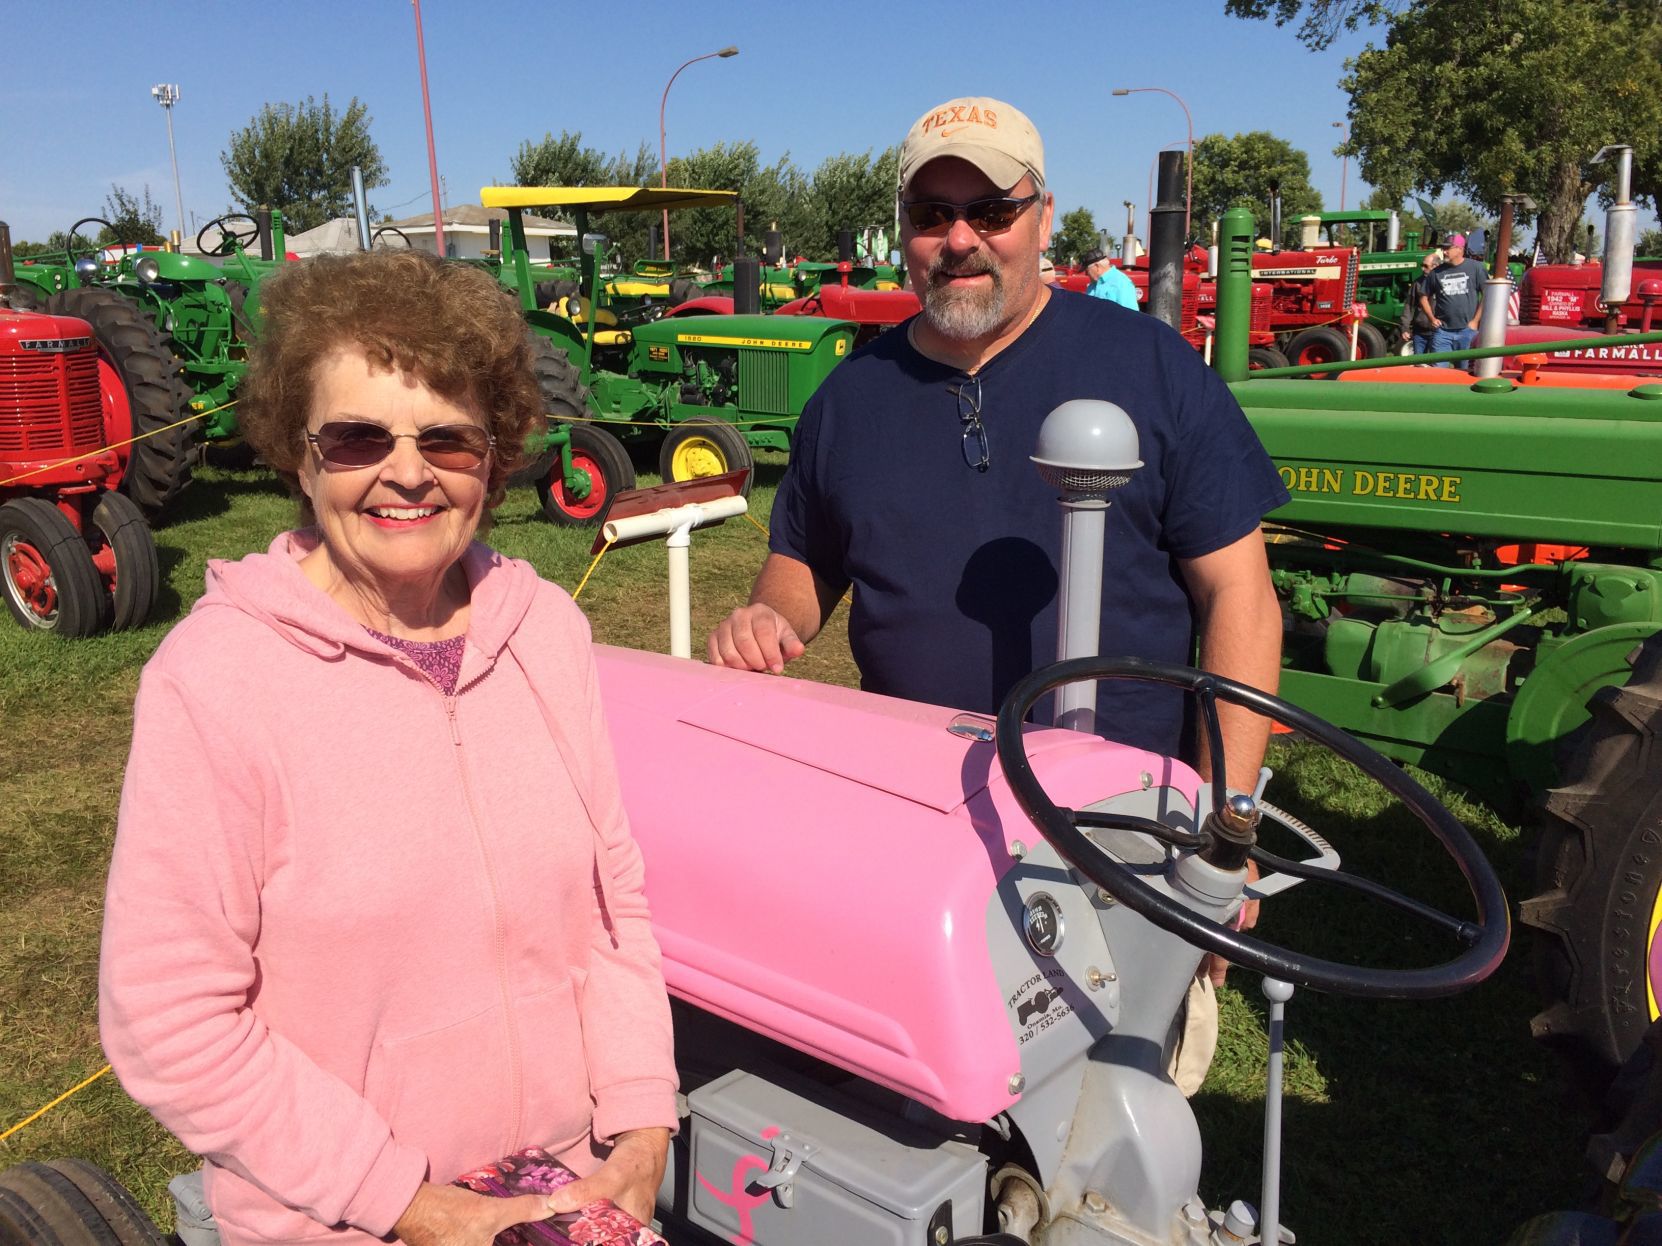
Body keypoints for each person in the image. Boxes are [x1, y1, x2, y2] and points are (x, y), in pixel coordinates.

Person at [99, 251, 677, 1246]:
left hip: (557, 1198)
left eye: (447, 440)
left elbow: (610, 902)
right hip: (346, 1221)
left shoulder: (545, 631)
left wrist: (642, 1129)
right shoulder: (215, 681)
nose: (407, 471)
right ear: (300, 451)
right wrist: (410, 1203)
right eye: (360, 436)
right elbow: (170, 1024)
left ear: (493, 457)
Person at [708, 92, 1286, 821]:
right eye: (930, 215)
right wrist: (767, 615)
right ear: (904, 228)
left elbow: (1239, 595)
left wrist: (1224, 809)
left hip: (1121, 814)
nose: (958, 239)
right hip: (912, 806)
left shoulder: (1152, 367)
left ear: (1042, 216)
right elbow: (806, 558)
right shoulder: (850, 398)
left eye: (990, 211)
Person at [1420, 232, 1487, 367]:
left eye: (1448, 248)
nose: (1444, 252)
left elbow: (1487, 295)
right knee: (1439, 374)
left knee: (1465, 373)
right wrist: (1432, 319)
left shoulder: (1476, 268)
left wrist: (1475, 321)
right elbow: (1423, 297)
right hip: (1443, 332)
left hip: (1467, 331)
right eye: (1443, 248)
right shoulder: (1436, 273)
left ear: (1460, 249)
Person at [1400, 250, 1443, 355]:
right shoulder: (1417, 283)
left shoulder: (1444, 282)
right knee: (1419, 364)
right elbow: (1409, 306)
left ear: (1435, 266)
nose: (1422, 268)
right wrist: (1405, 328)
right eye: (1421, 265)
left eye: (1425, 266)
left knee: (1436, 364)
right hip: (1420, 332)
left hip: (1439, 332)